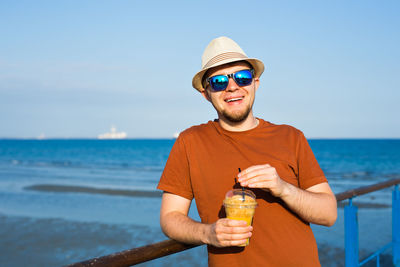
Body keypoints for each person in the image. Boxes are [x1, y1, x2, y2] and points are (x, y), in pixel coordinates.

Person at [157, 36, 337, 266]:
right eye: (219, 81)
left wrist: (283, 188)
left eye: (242, 77)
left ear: (256, 83)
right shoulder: (190, 141)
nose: (233, 86)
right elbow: (170, 218)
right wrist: (208, 233)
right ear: (206, 93)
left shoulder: (291, 137)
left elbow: (329, 213)